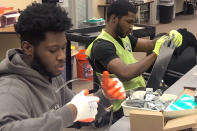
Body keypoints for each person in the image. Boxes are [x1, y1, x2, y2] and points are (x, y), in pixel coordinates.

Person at [0, 3, 126, 131]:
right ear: (28, 48)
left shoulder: (50, 75)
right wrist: (71, 112)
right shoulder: (11, 88)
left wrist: (105, 96)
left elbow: (80, 113)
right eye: (53, 50)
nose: (62, 56)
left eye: (63, 48)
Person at [86, 0, 182, 125]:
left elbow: (150, 45)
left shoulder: (123, 37)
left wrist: (167, 38)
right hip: (122, 106)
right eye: (129, 22)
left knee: (175, 105)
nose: (131, 27)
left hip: (138, 94)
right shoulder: (102, 46)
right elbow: (125, 73)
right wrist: (156, 54)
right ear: (114, 18)